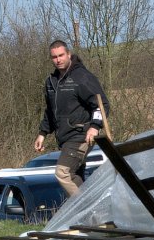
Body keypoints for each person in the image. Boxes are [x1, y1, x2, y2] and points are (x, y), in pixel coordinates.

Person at [34, 40, 110, 197]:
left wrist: (95, 126)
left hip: (81, 135)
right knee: (76, 179)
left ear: (69, 54)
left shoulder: (81, 77)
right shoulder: (51, 82)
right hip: (64, 137)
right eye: (54, 57)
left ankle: (88, 210)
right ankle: (92, 219)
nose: (58, 59)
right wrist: (43, 133)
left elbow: (101, 104)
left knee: (64, 173)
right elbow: (50, 111)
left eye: (61, 55)